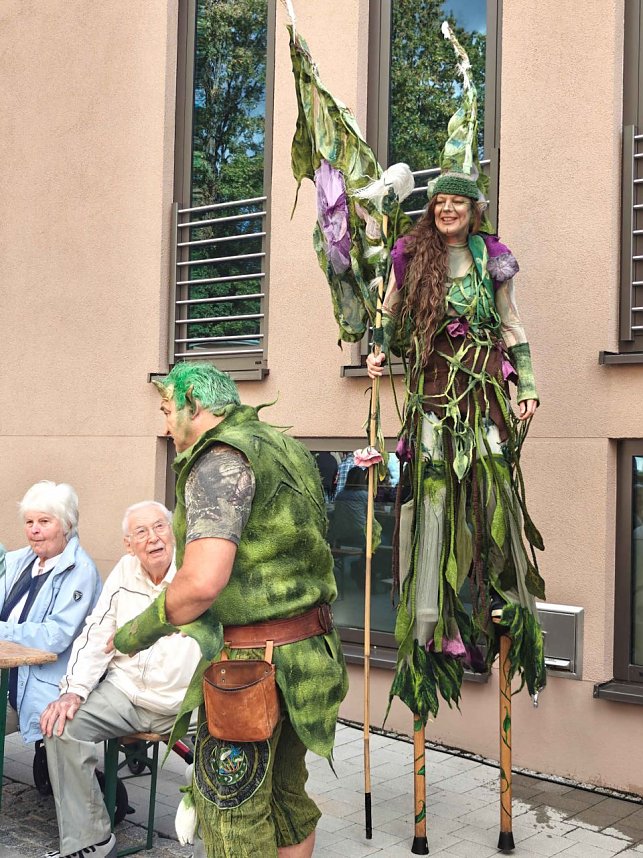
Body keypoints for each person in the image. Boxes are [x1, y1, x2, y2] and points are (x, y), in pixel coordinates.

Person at [366, 26, 546, 722]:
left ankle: (495, 610)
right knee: (433, 503)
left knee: (491, 501)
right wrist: (376, 352)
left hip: (484, 404)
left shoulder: (492, 259)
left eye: (458, 203)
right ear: (431, 208)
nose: (446, 210)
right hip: (434, 403)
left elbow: (512, 326)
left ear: (474, 210)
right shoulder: (410, 260)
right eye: (438, 202)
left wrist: (524, 383)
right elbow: (383, 319)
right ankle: (430, 626)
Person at [114, 362, 348, 858]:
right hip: (311, 656)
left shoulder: (218, 461)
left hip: (252, 672)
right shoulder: (284, 447)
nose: (164, 425)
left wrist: (136, 631)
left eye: (166, 409)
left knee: (231, 812)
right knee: (287, 799)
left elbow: (200, 582)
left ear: (193, 405)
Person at [39, 500, 201, 858]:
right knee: (61, 726)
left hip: (183, 703)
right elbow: (97, 634)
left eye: (160, 527)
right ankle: (91, 839)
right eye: (141, 532)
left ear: (173, 531)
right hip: (125, 693)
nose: (153, 538)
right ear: (129, 544)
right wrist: (74, 692)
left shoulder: (196, 572)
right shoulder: (125, 571)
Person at [0, 481, 101, 743]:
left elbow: (54, 636)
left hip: (42, 689)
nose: (34, 530)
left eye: (44, 521)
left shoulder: (80, 571)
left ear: (66, 524)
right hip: (7, 677)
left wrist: (3, 630)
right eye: (29, 522)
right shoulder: (18, 561)